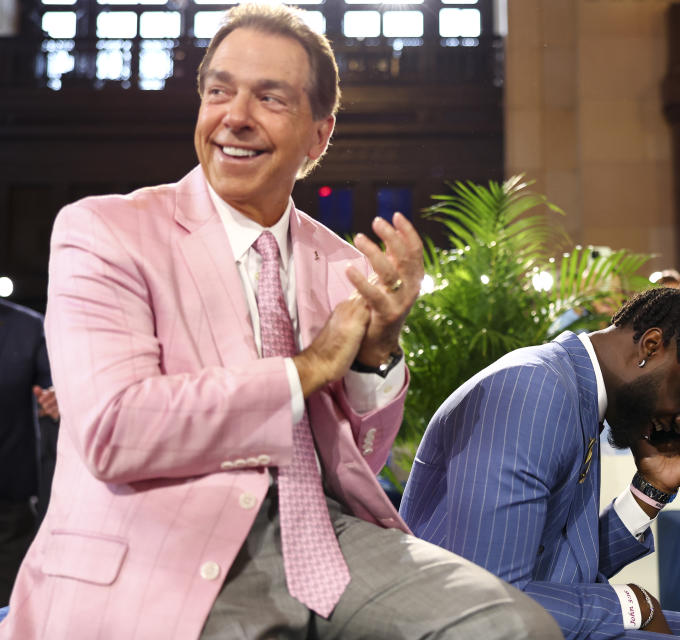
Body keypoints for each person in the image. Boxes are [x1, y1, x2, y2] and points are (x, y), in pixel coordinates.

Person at [0, 5, 562, 639]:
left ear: (318, 137)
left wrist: (376, 354)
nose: (234, 116)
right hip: (164, 539)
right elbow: (113, 431)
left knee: (517, 627)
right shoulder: (103, 231)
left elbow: (364, 458)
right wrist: (308, 368)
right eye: (219, 91)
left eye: (269, 98)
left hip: (325, 534)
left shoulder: (343, 264)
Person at [400, 287, 680, 640]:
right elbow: (491, 599)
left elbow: (563, 566)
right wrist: (629, 604)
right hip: (462, 624)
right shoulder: (533, 390)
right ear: (651, 345)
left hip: (525, 612)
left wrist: (650, 491)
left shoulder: (579, 394)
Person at [0, 299, 58, 605]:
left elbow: (60, 383)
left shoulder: (29, 326)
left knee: (11, 605)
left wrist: (58, 396)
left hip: (10, 503)